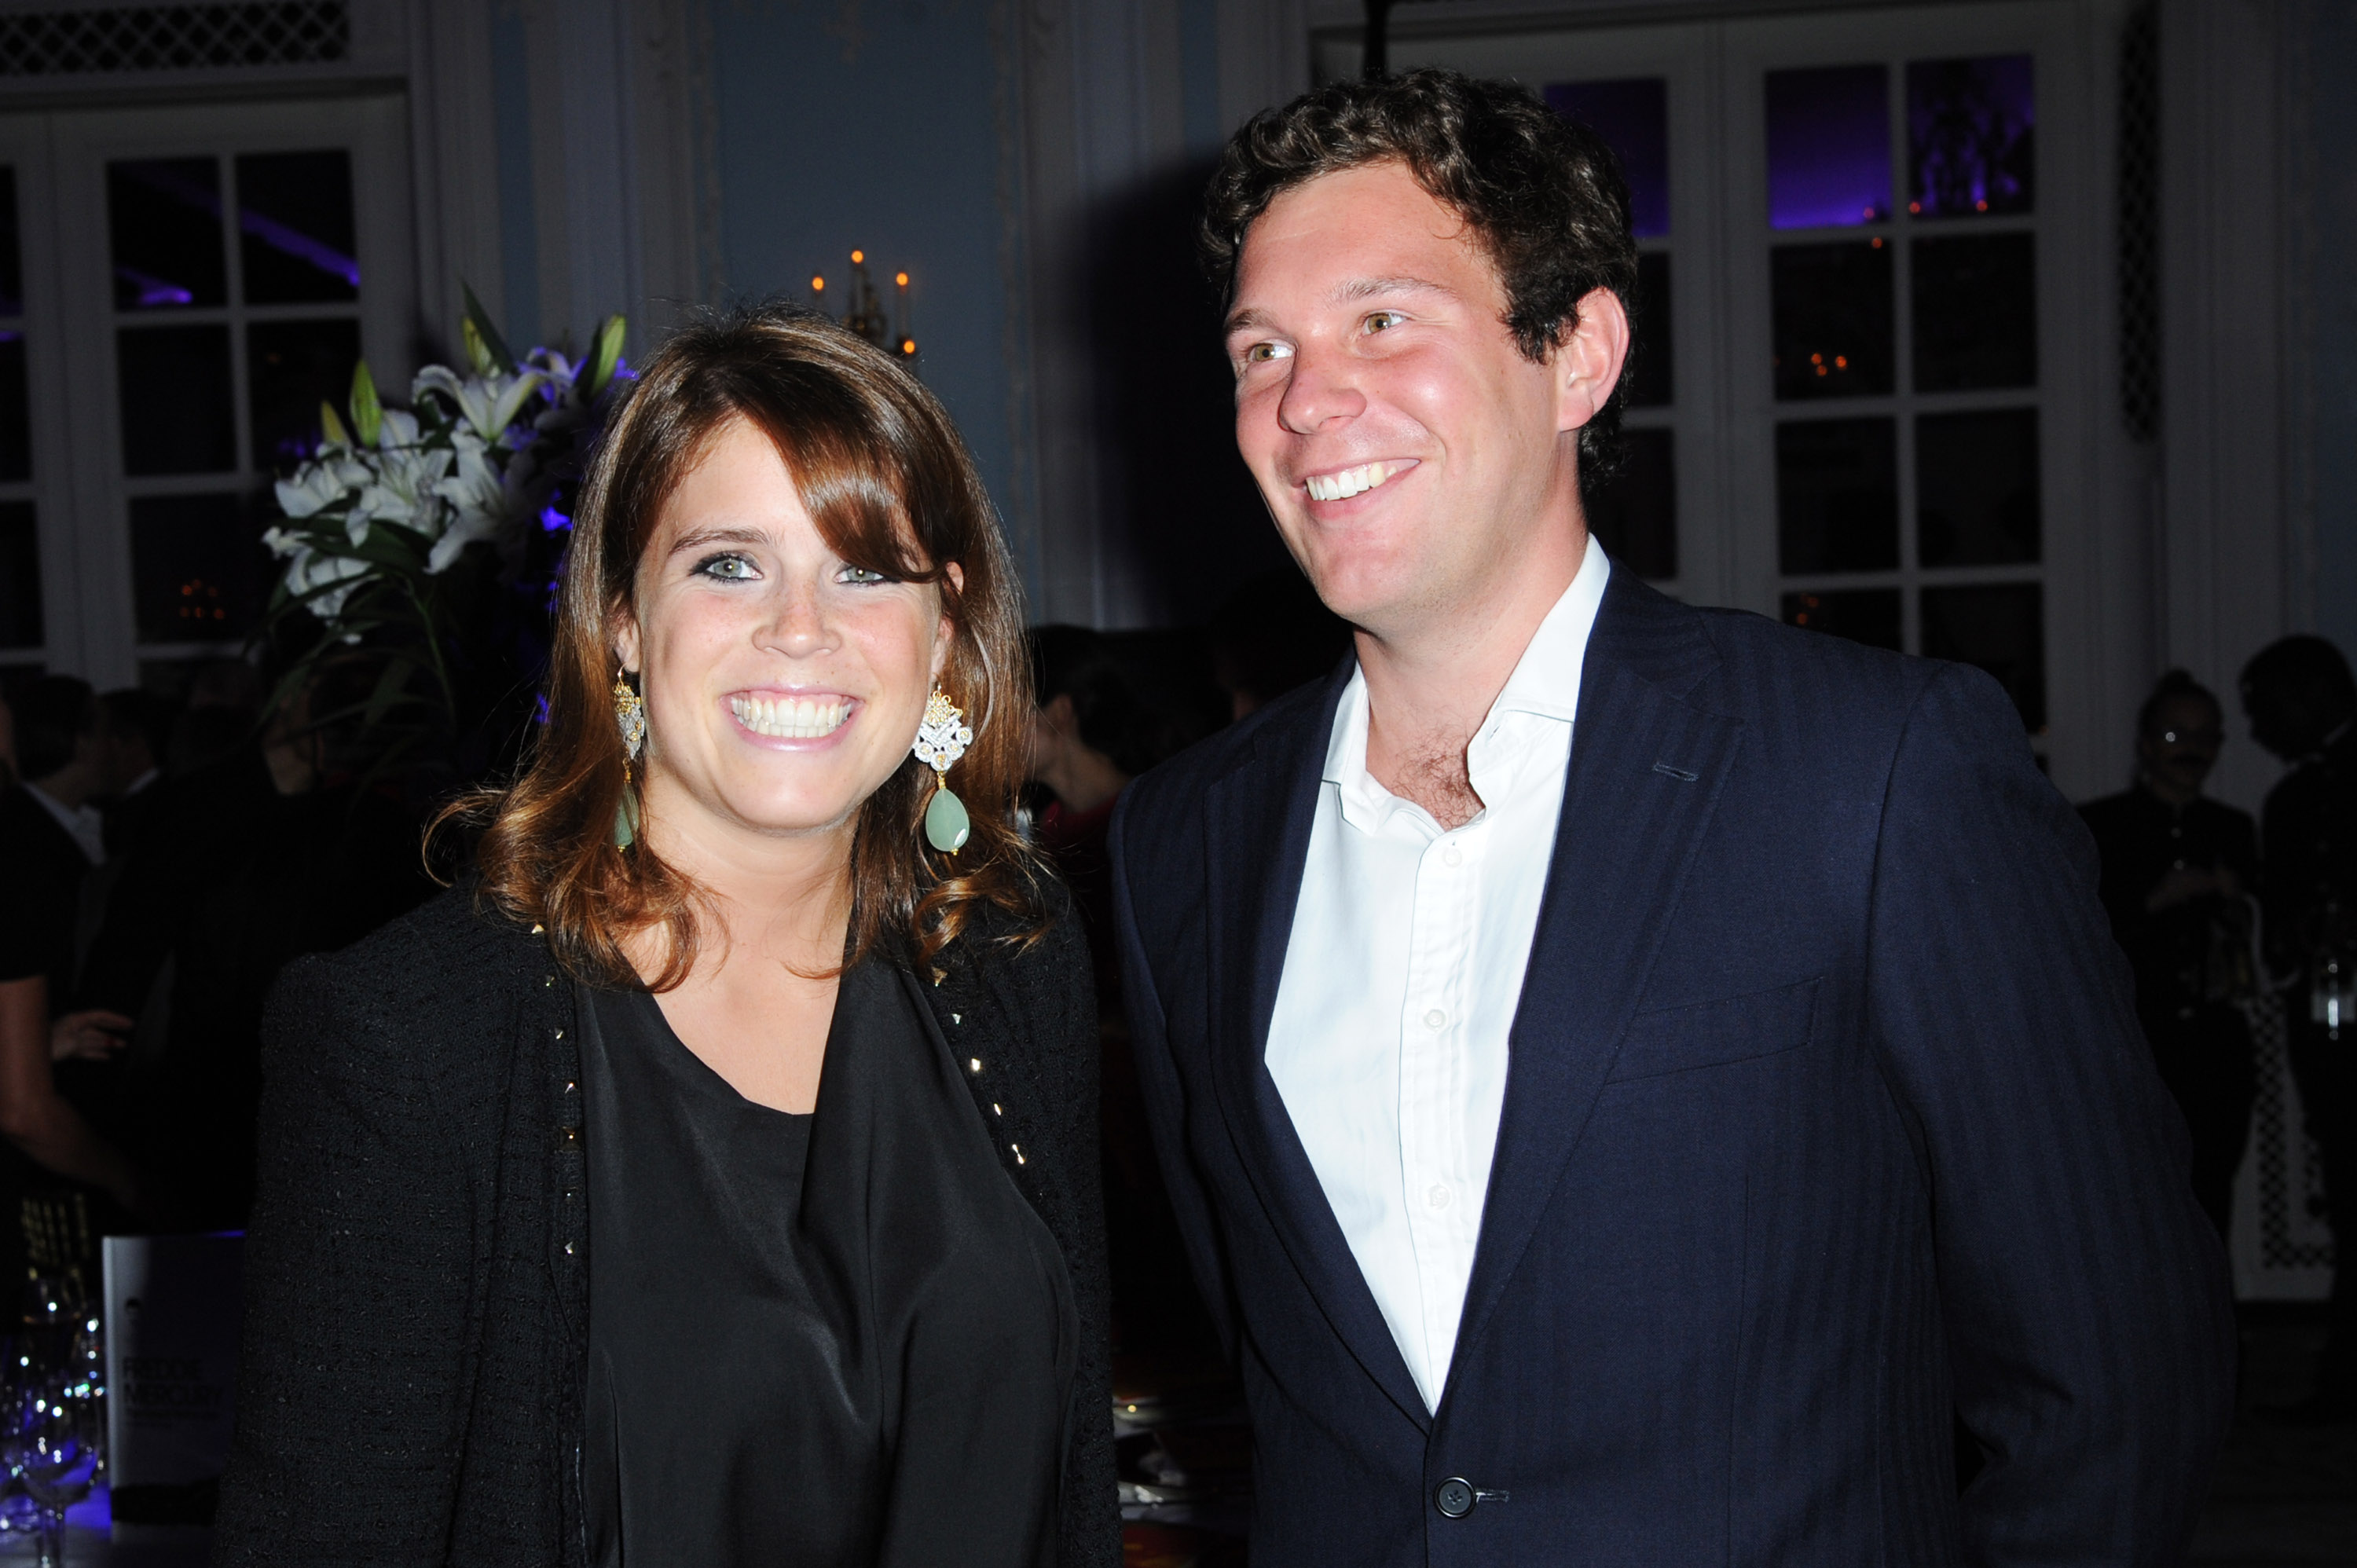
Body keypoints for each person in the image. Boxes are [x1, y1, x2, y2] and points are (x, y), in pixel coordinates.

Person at [1109, 69, 2234, 1563]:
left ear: (1578, 352)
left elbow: (2115, 1391)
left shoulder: (1874, 770)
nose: (1306, 401)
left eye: (1383, 320)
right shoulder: (1178, 844)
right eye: (1265, 347)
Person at [214, 306, 1118, 1567]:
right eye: (728, 564)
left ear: (947, 634)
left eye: (865, 567)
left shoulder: (1016, 961)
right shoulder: (415, 1039)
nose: (801, 626)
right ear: (625, 625)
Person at [2080, 670, 2260, 1241]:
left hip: (2215, 1042)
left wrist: (2240, 909)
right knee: (2129, 1198)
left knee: (2211, 1195)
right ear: (2145, 742)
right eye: (2176, 736)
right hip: (2133, 1041)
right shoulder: (2099, 827)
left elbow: (2260, 950)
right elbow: (2079, 942)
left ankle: (2215, 1328)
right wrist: (2155, 901)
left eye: (2206, 737)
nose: (2193, 750)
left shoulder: (2232, 828)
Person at [2242, 633, 2357, 1423]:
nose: (2257, 727)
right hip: (2327, 1025)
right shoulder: (2287, 801)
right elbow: (2276, 911)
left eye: (2264, 707)